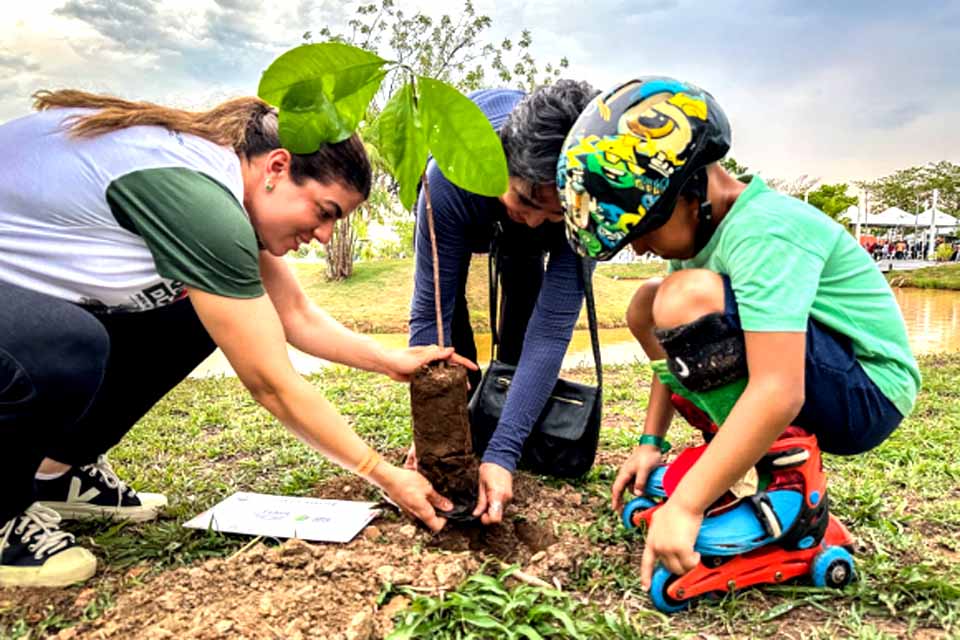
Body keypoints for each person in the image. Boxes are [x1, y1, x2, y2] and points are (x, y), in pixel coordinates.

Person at [0, 91, 474, 588]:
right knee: (68, 344)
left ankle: (55, 471)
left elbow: (294, 313)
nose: (325, 235)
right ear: (277, 166)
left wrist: (387, 360)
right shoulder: (201, 201)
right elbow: (271, 382)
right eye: (325, 211)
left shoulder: (221, 185)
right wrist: (383, 474)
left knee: (189, 317)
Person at [557, 77, 920, 590]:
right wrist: (648, 442)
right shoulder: (704, 231)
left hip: (868, 394)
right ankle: (732, 463)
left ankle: (792, 497)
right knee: (648, 303)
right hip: (818, 377)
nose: (637, 248)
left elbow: (780, 388)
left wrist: (685, 506)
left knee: (683, 295)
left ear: (689, 193)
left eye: (641, 230)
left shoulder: (764, 231)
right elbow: (674, 344)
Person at [406, 80, 598, 525]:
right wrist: (436, 427)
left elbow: (550, 331)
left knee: (522, 315)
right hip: (471, 206)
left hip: (524, 231)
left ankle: (500, 425)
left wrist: (505, 451)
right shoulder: (451, 177)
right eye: (528, 200)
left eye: (553, 213)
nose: (533, 219)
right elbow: (428, 309)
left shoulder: (588, 210)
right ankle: (467, 423)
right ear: (501, 163)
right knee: (449, 324)